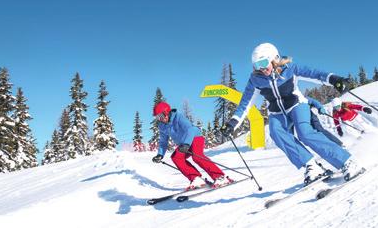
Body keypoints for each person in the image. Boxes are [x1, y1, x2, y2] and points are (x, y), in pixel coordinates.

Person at [222, 42, 363, 183]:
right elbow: (245, 103)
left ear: (274, 58)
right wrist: (232, 123)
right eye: (257, 65)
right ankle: (311, 165)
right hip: (276, 112)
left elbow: (314, 74)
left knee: (305, 133)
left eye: (264, 62)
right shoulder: (256, 80)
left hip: (296, 105)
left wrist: (334, 79)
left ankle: (346, 161)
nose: (262, 68)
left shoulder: (290, 69)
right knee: (275, 132)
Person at [151, 101, 232, 190]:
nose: (160, 119)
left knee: (197, 156)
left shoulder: (178, 117)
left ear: (167, 112)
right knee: (176, 157)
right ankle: (196, 178)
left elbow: (190, 129)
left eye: (161, 116)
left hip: (195, 137)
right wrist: (160, 154)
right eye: (157, 117)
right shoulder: (162, 126)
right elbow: (163, 142)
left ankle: (220, 177)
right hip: (184, 144)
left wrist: (186, 144)